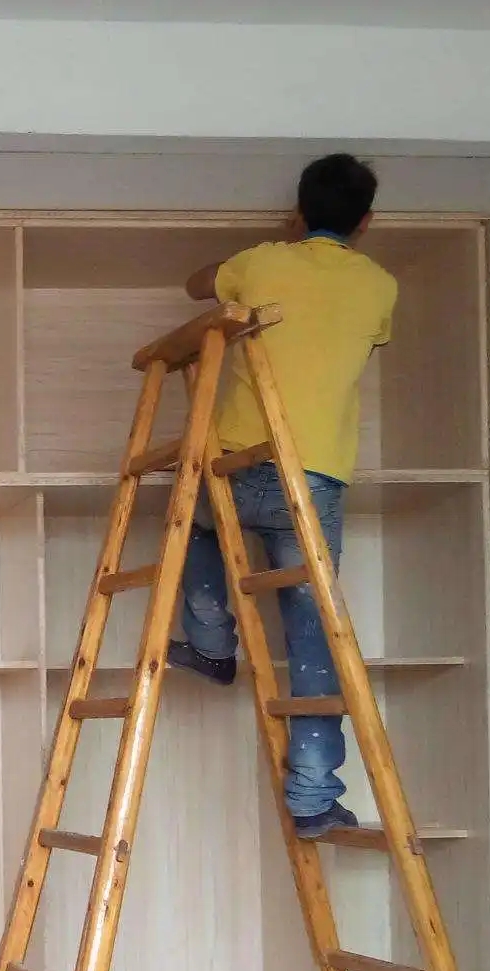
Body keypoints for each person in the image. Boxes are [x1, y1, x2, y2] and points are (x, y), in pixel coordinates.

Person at [170, 153, 399, 839]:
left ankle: (213, 645)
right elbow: (365, 347)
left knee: (196, 529)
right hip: (314, 477)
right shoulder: (380, 285)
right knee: (312, 634)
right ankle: (313, 796)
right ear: (366, 222)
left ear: (297, 212)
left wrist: (264, 255)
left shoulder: (262, 262)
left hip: (237, 465)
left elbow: (194, 283)